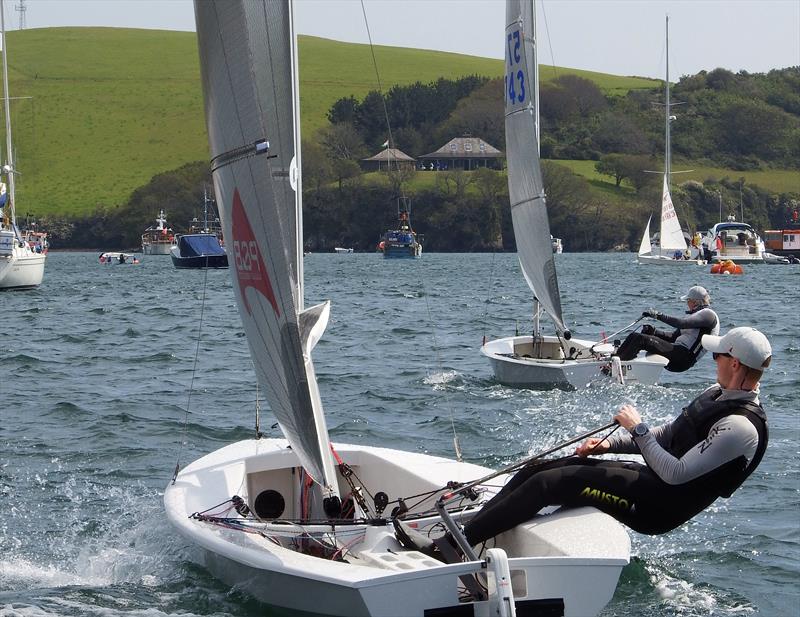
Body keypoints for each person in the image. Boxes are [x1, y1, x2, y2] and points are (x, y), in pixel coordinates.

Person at [458, 326, 771, 549]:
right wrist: (609, 443)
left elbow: (676, 475)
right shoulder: (715, 394)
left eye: (717, 355)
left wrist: (638, 428)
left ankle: (454, 547)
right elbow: (666, 437)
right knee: (539, 469)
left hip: (659, 508)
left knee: (551, 484)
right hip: (650, 483)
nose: (712, 359)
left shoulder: (740, 428)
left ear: (734, 363)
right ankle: (468, 533)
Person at [614, 285, 719, 372]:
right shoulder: (696, 315)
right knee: (635, 336)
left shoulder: (708, 315)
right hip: (677, 352)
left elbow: (681, 324)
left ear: (695, 302)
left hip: (684, 358)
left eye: (688, 300)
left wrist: (658, 315)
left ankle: (615, 369)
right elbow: (673, 337)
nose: (687, 303)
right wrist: (654, 332)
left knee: (640, 339)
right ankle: (615, 360)